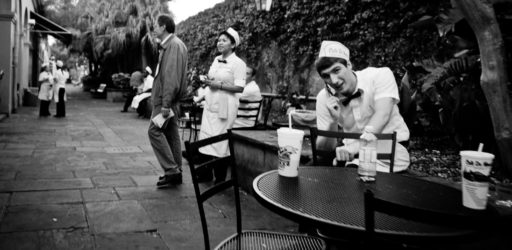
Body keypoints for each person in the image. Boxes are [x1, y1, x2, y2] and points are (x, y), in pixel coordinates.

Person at [315, 41, 410, 172]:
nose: (334, 80)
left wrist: (355, 148)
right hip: (350, 154)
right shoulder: (324, 98)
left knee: (358, 177)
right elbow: (323, 149)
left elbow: (382, 115)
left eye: (336, 70)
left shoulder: (380, 76)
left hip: (390, 151)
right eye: (326, 76)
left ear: (348, 64)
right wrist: (333, 122)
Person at [196, 27, 246, 183]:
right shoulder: (216, 59)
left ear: (233, 45)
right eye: (219, 40)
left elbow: (240, 87)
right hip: (211, 102)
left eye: (224, 40)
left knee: (220, 140)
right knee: (205, 136)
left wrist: (219, 85)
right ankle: (204, 174)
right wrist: (207, 80)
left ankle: (220, 177)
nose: (220, 43)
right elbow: (213, 78)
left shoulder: (238, 63)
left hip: (226, 105)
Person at [148, 14, 188, 188]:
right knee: (171, 134)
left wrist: (165, 103)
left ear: (163, 27)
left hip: (166, 101)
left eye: (155, 25)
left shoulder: (173, 45)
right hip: (168, 100)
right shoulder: (172, 45)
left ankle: (172, 171)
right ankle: (176, 170)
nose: (154, 28)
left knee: (154, 132)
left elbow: (171, 77)